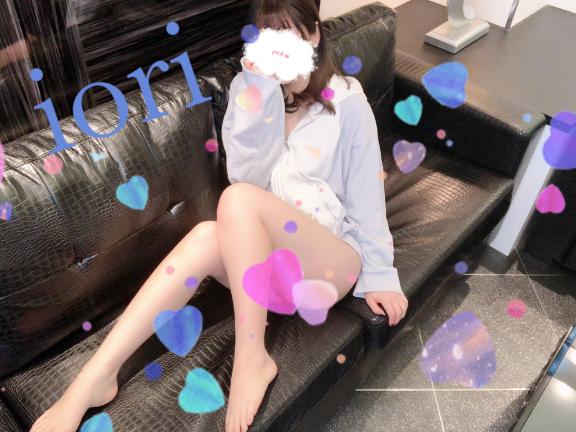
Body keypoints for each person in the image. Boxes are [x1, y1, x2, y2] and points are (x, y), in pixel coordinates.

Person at [30, 1, 408, 431]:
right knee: (207, 235)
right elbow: (247, 177)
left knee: (236, 201)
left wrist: (381, 274)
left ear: (314, 35)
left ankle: (252, 358)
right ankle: (94, 378)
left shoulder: (347, 99)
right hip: (267, 272)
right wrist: (261, 94)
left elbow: (365, 194)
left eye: (292, 33)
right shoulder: (251, 91)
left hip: (329, 263)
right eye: (270, 35)